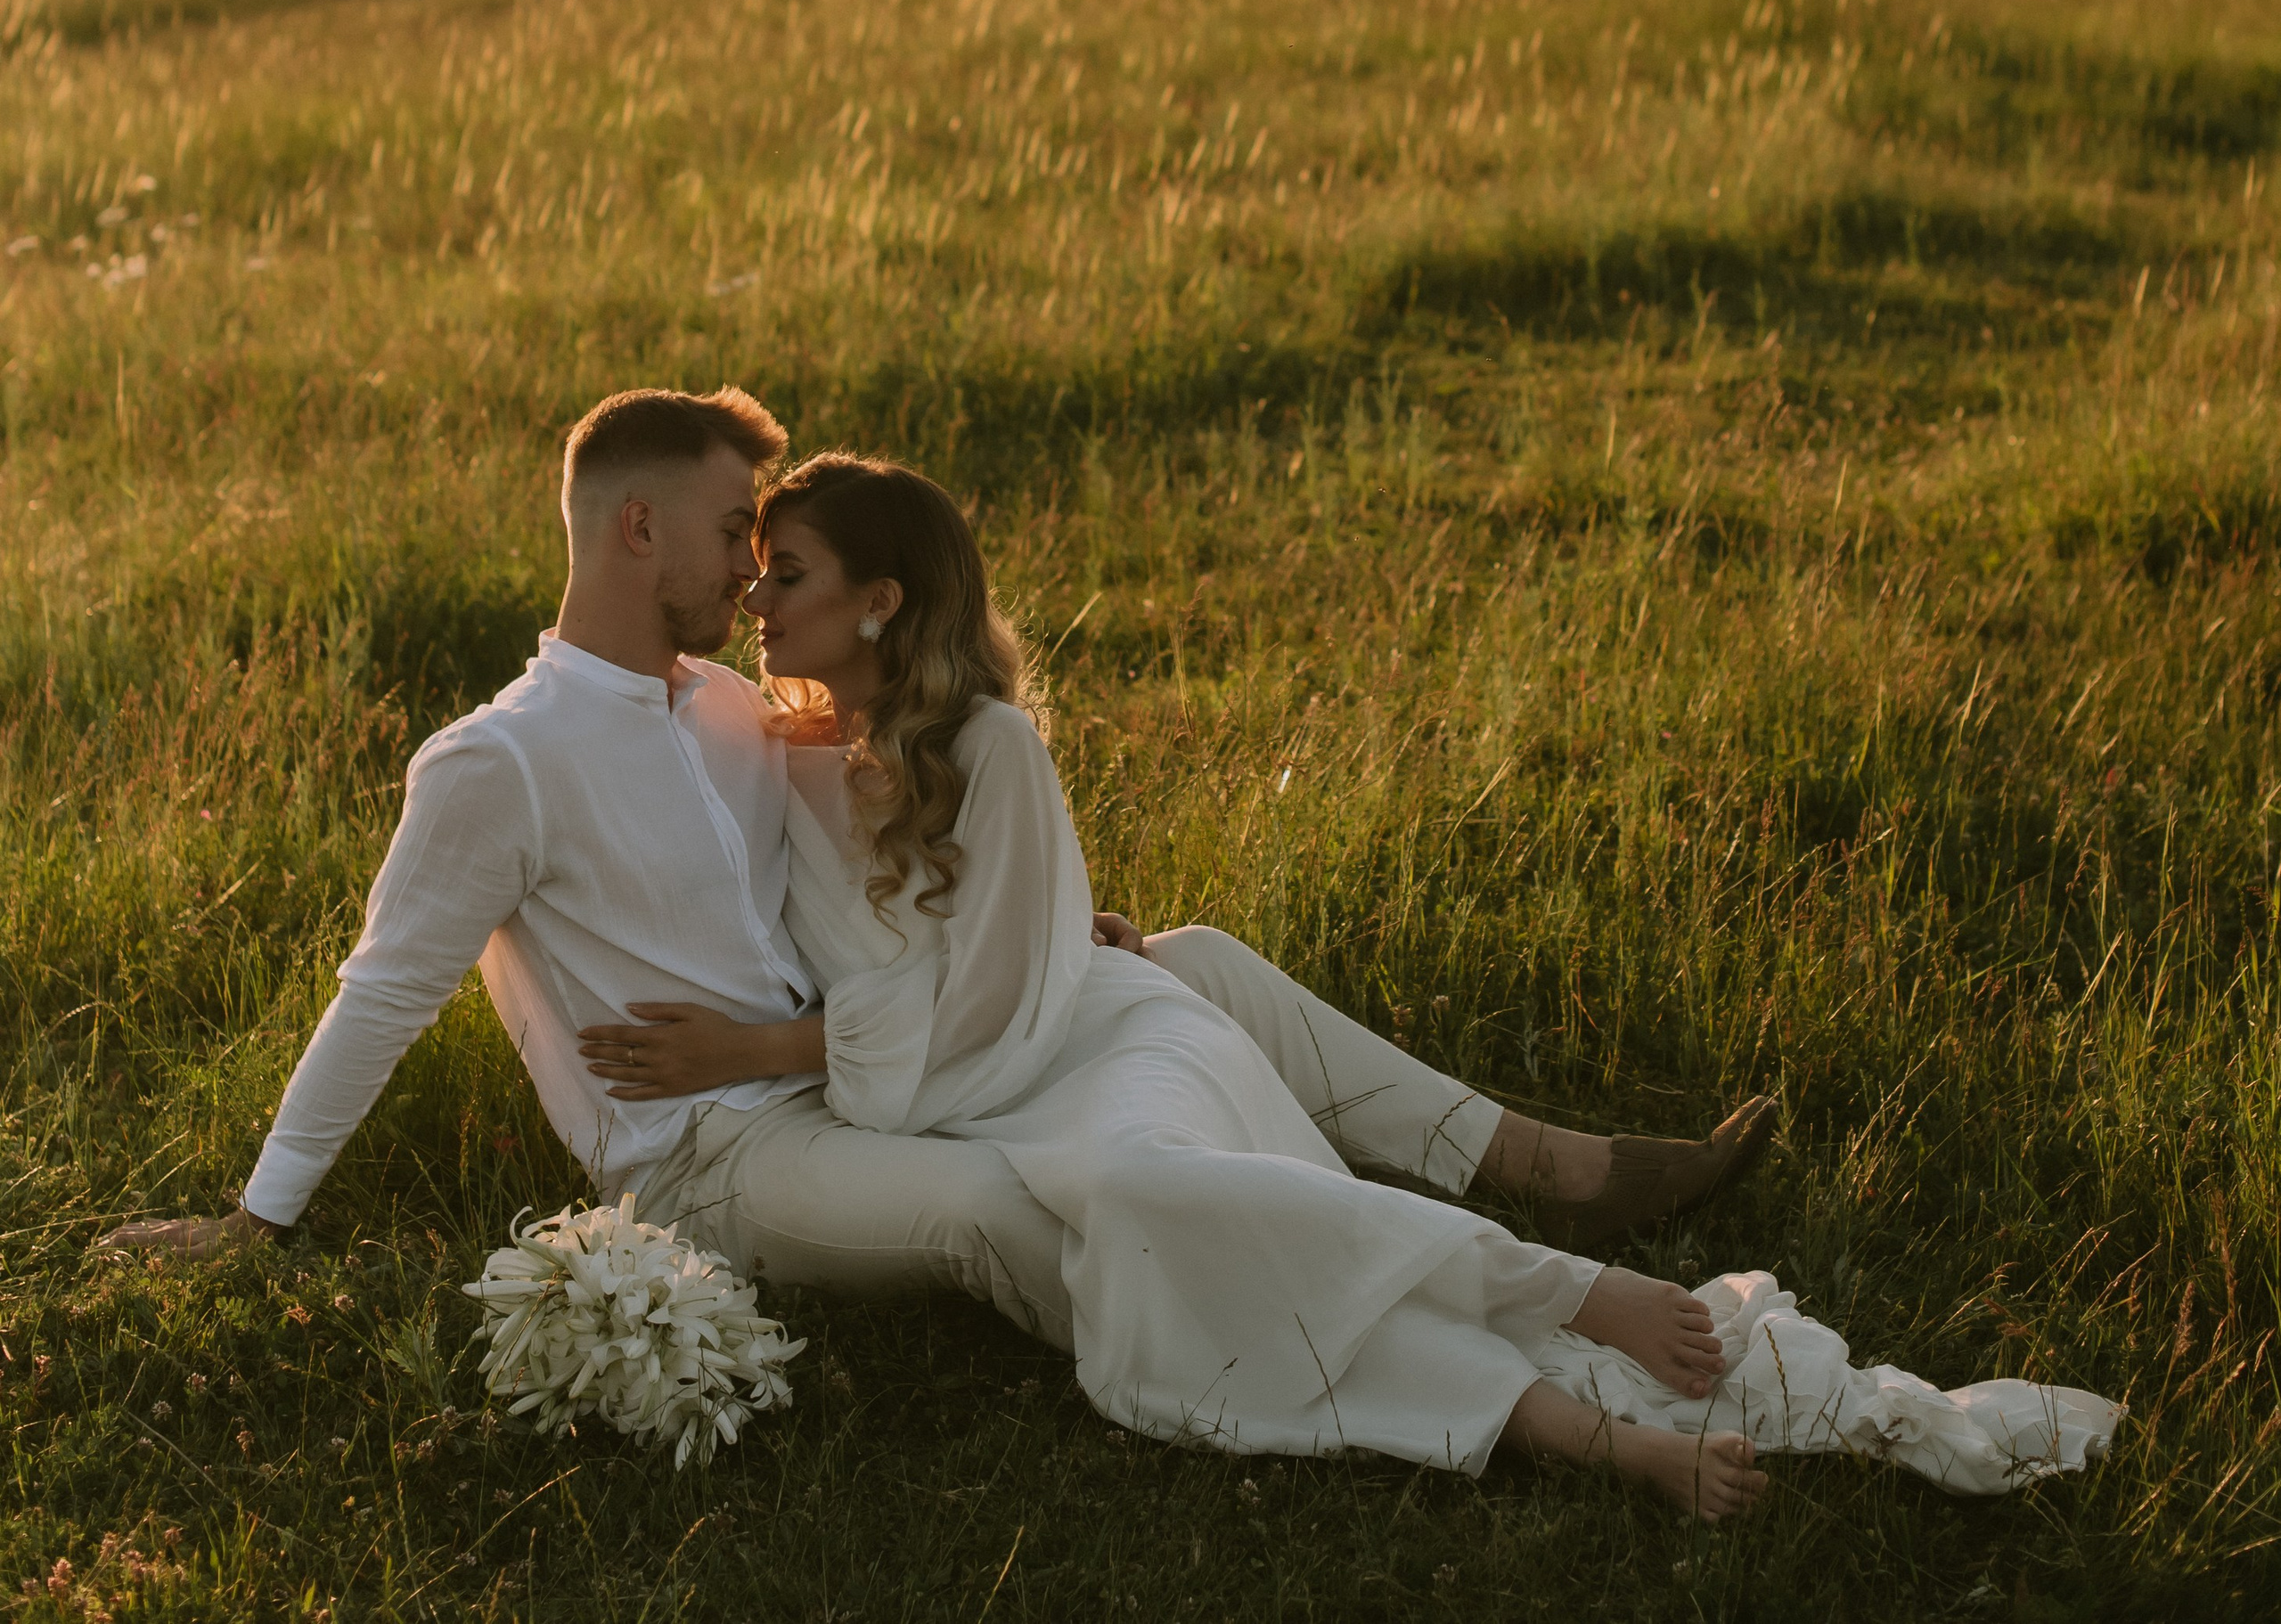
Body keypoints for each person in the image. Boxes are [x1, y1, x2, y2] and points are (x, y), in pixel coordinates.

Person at [576, 452, 2119, 1514]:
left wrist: (761, 1042)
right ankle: (1569, 1409)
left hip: (1061, 1057)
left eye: (787, 576)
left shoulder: (993, 748)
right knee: (1152, 1218)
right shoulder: (761, 742)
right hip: (957, 1106)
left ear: (886, 599)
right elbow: (629, 699)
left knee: (1137, 1178)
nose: (758, 602)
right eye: (755, 571)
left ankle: (1571, 1287)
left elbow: (990, 1000)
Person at [97, 388, 1759, 1351]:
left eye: (772, 544)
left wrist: (1042, 937)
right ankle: (1426, 1329)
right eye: (738, 531)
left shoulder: (736, 706)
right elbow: (381, 990)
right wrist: (260, 1219)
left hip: (874, 1053)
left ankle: (1539, 1167)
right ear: (636, 536)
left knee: (1188, 961)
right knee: (1016, 1208)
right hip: (717, 1150)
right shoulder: (498, 763)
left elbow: (916, 820)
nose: (757, 567)